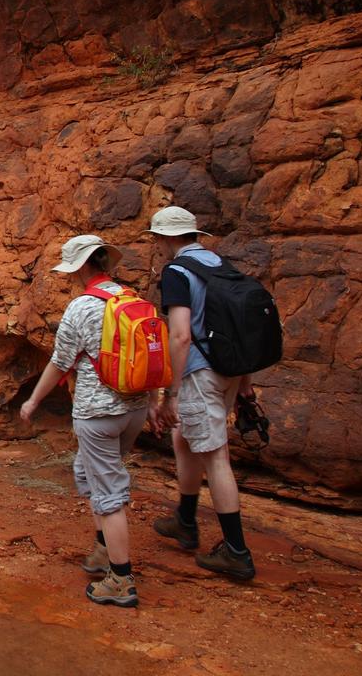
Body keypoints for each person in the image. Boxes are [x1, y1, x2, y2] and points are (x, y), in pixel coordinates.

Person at [19, 235, 149, 607]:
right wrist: (153, 403)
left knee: (108, 492)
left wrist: (32, 401)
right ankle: (102, 548)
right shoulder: (134, 300)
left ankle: (120, 580)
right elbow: (148, 357)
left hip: (98, 413)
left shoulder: (82, 307)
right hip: (134, 410)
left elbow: (61, 363)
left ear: (81, 267)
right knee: (87, 471)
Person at [147, 206, 256, 580]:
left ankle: (237, 551)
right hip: (229, 368)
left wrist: (171, 393)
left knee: (215, 455)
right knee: (184, 440)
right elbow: (242, 325)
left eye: (157, 238)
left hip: (200, 372)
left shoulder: (177, 271)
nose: (157, 245)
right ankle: (186, 519)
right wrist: (245, 382)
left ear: (167, 238)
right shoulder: (219, 265)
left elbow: (180, 335)